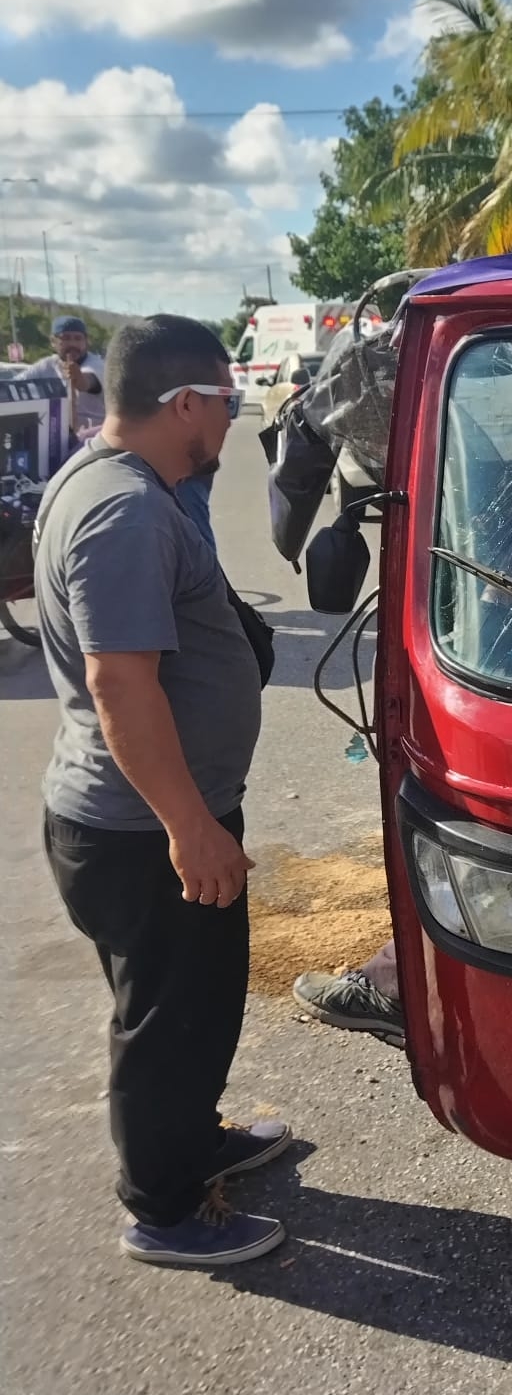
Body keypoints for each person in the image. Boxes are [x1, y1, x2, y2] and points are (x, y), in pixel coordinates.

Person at [33, 314, 290, 1267]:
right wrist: (189, 826)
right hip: (144, 827)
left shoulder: (137, 487)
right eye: (227, 403)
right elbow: (119, 684)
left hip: (156, 814)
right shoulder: (124, 511)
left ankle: (192, 1141)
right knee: (166, 1019)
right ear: (185, 403)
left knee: (192, 1002)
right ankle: (165, 1209)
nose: (234, 420)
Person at [22, 314, 106, 441]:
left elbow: (86, 382)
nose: (73, 344)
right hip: (55, 438)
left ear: (86, 341)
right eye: (65, 338)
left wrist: (78, 378)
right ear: (53, 341)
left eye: (78, 339)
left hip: (93, 439)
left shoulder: (96, 364)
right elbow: (15, 384)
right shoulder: (46, 365)